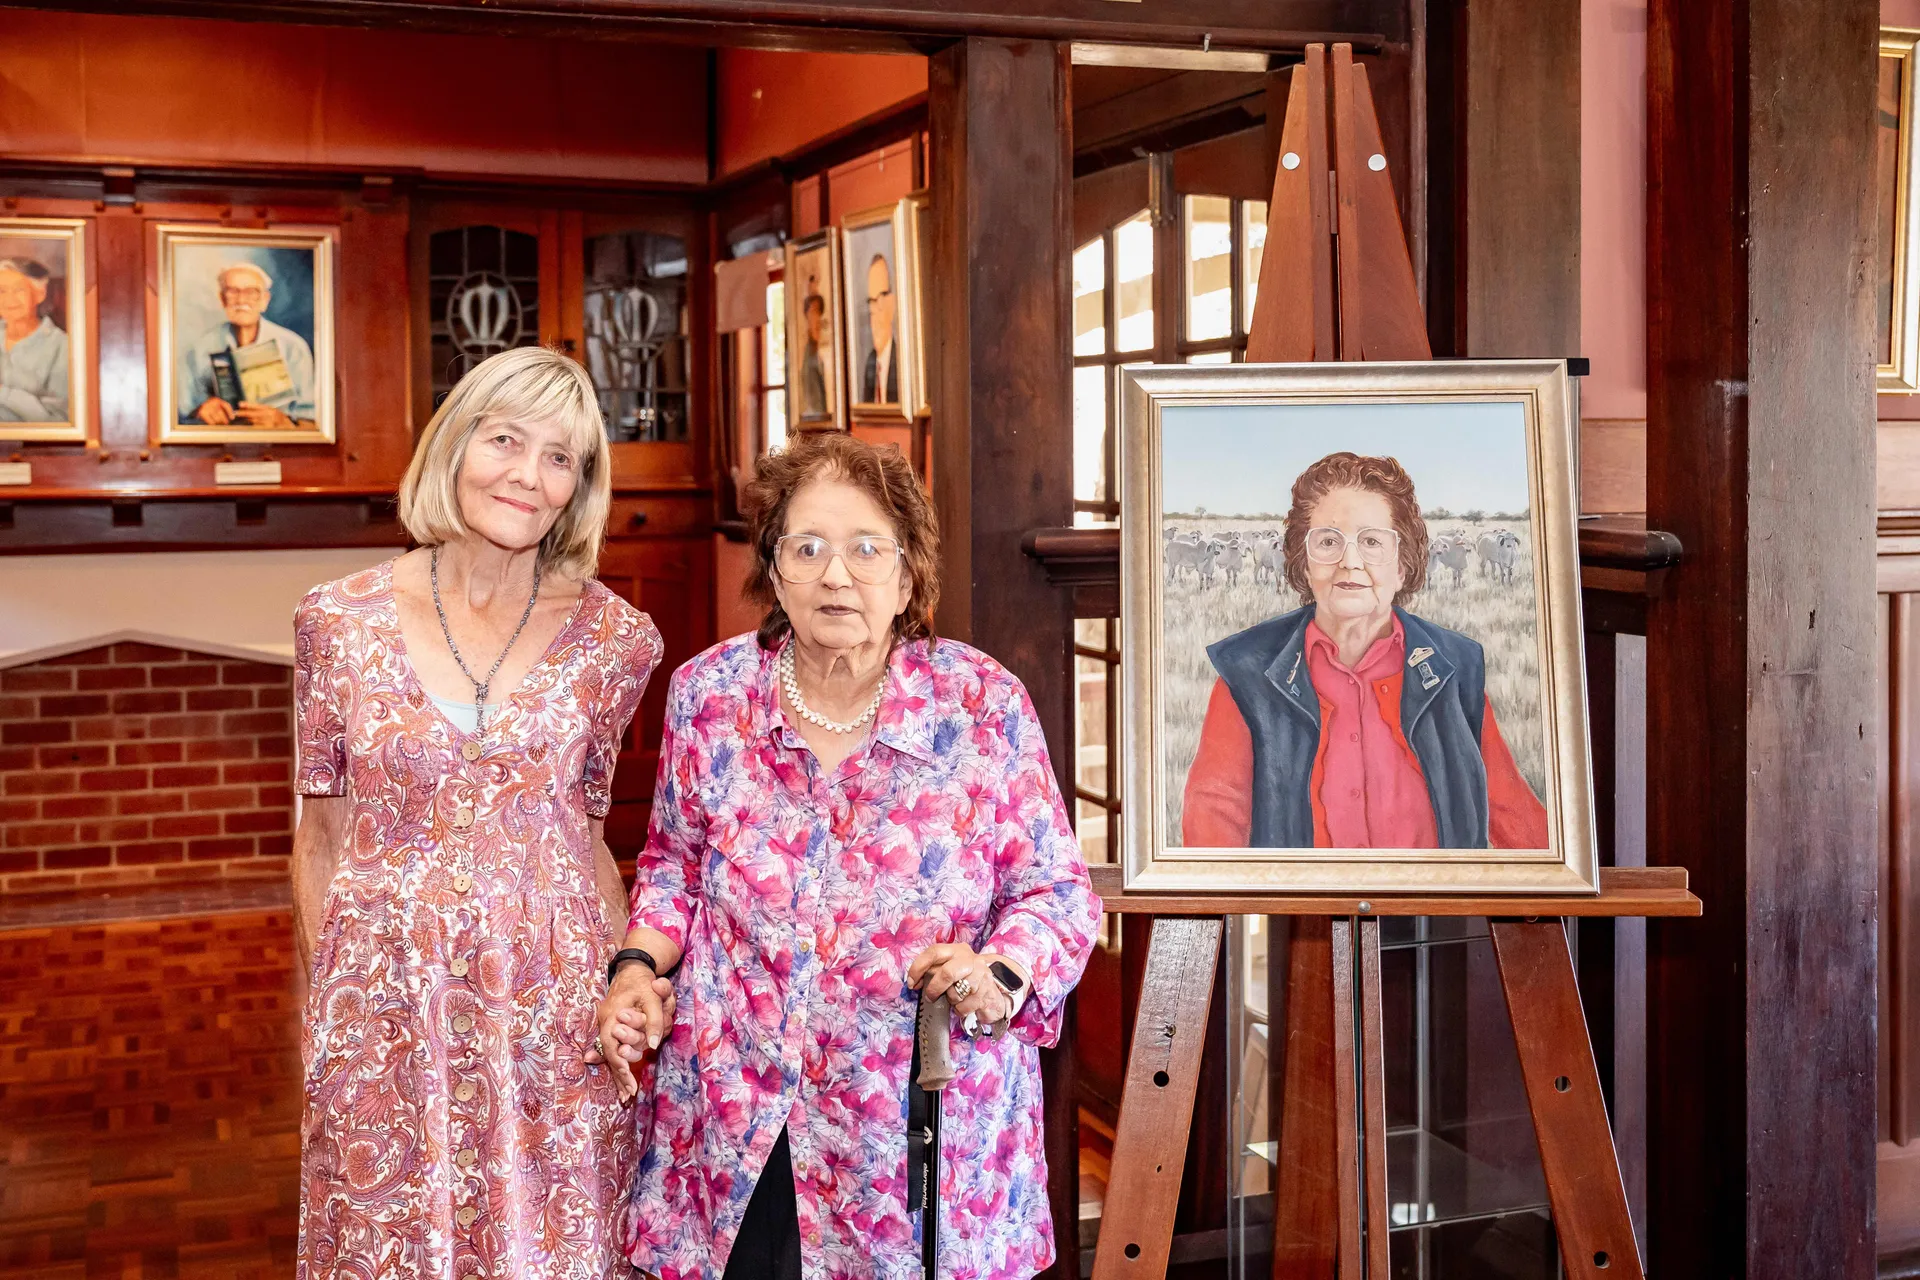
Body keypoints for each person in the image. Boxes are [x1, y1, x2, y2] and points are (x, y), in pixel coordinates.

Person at [593, 430, 1099, 1280]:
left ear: (907, 577)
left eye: (868, 549)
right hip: (738, 1111)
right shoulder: (711, 697)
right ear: (773, 567)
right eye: (809, 547)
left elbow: (1057, 893)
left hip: (913, 1137)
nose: (837, 574)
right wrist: (638, 970)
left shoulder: (980, 704)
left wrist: (997, 974)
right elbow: (674, 864)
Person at [291, 345, 663, 1279]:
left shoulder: (618, 639)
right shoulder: (337, 620)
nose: (528, 477)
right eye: (506, 440)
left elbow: (586, 837)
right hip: (384, 1003)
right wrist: (325, 1015)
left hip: (551, 1000)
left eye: (560, 458)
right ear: (456, 445)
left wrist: (622, 984)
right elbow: (322, 838)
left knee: (555, 1247)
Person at [1182, 451, 1548, 850]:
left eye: (1372, 542)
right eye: (1328, 542)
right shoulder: (1247, 670)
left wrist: (1555, 884)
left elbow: (1509, 810)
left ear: (1403, 565)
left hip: (1432, 910)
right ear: (1304, 564)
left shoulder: (1453, 667)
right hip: (1298, 911)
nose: (1350, 562)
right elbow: (1214, 820)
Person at [178, 261, 317, 429]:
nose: (241, 299)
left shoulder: (293, 347)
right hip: (218, 449)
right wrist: (199, 411)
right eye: (232, 291)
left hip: (278, 450)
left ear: (265, 301)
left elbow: (313, 424)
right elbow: (180, 416)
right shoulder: (199, 349)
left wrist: (282, 423)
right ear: (222, 299)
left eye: (252, 292)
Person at [0, 256, 70, 423]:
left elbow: (59, 420)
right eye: (1, 291)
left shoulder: (62, 346)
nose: (9, 300)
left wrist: (5, 394)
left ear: (39, 294)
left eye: (19, 290)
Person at [859, 253, 897, 404]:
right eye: (871, 302)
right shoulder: (871, 361)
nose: (873, 311)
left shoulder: (901, 363)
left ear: (892, 303)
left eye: (879, 300)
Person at [797, 288, 830, 419]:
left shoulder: (826, 349)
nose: (814, 319)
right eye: (811, 312)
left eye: (817, 312)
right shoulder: (805, 352)